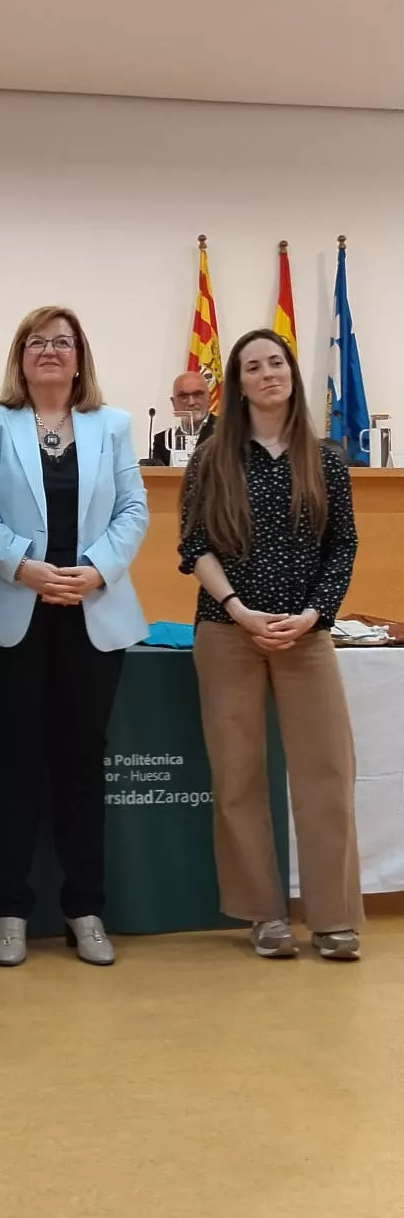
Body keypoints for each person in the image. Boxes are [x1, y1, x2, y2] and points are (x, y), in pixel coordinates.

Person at [0, 306, 149, 968]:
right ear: (21, 355)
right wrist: (22, 566)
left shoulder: (111, 425)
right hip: (14, 610)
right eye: (37, 341)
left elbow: (134, 509)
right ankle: (9, 910)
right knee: (13, 761)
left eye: (62, 342)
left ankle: (84, 908)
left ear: (79, 357)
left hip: (92, 611)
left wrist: (95, 570)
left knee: (80, 763)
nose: (50, 351)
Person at [180, 328, 362, 961]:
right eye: (252, 367)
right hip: (227, 631)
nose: (267, 374)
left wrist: (313, 615)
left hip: (306, 635)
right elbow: (193, 547)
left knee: (327, 774)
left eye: (276, 363)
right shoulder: (212, 458)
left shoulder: (326, 459)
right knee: (238, 776)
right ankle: (263, 914)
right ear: (238, 384)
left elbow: (343, 545)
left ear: (291, 374)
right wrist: (239, 609)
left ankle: (334, 918)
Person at [151, 370, 215, 466]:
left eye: (197, 395)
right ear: (174, 403)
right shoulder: (163, 440)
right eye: (183, 397)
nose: (191, 402)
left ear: (209, 399)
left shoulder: (228, 432)